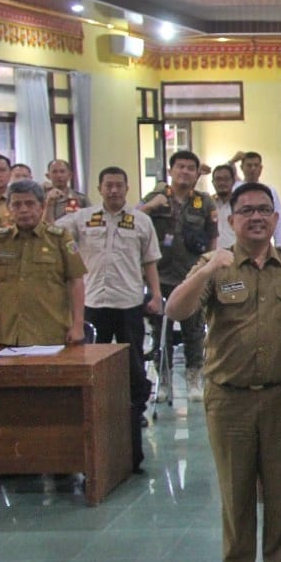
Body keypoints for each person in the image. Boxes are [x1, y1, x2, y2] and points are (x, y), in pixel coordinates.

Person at [165, 182, 281, 562]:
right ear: (231, 219)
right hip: (229, 397)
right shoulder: (213, 265)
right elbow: (175, 310)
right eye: (247, 210)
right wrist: (204, 271)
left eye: (264, 210)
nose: (256, 217)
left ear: (275, 218)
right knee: (235, 489)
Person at [56, 166, 163, 472]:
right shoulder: (81, 218)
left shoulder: (141, 221)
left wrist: (155, 295)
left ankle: (134, 414)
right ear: (100, 188)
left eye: (119, 185)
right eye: (108, 186)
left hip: (128, 302)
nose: (114, 191)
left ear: (127, 188)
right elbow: (53, 233)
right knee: (91, 366)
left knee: (133, 366)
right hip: (92, 303)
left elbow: (150, 261)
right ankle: (94, 418)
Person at [0, 179, 87, 345]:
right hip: (10, 333)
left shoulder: (59, 238)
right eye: (17, 205)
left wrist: (77, 325)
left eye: (30, 204)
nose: (24, 210)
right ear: (9, 209)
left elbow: (76, 281)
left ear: (41, 207)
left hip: (51, 331)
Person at [140, 150, 218, 401]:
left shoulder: (204, 202)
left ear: (197, 173)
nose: (184, 171)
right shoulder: (156, 197)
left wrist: (210, 269)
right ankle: (163, 382)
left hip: (192, 277)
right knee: (159, 334)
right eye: (180, 167)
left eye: (190, 168)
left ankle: (194, 380)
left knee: (194, 332)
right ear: (171, 171)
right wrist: (150, 207)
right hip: (159, 277)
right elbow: (134, 221)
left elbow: (213, 238)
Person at [230, 151, 281, 247]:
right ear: (242, 168)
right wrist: (231, 161)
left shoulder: (270, 191)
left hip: (262, 242)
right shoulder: (234, 188)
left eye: (256, 165)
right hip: (236, 243)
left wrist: (279, 244)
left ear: (261, 168)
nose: (253, 169)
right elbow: (223, 175)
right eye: (249, 165)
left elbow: (278, 216)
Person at [211, 164, 237, 249]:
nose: (222, 183)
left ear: (233, 181)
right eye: (218, 179)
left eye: (226, 179)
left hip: (236, 256)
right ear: (213, 182)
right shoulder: (208, 204)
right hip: (212, 257)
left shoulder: (241, 205)